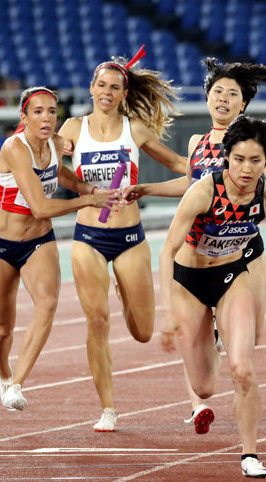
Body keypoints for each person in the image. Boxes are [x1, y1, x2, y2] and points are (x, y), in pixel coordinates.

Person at [132, 58, 266, 435]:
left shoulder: (251, 146)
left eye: (232, 94)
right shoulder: (196, 143)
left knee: (252, 338)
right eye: (217, 92)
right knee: (203, 338)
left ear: (243, 104)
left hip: (244, 250)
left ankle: (219, 342)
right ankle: (200, 397)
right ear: (206, 98)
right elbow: (190, 189)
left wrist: (241, 198)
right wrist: (146, 189)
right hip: (200, 252)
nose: (223, 99)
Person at [159, 115, 266, 478]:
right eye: (238, 159)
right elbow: (166, 251)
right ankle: (212, 336)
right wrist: (166, 311)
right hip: (189, 281)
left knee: (244, 369)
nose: (245, 168)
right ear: (227, 157)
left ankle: (250, 454)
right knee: (204, 388)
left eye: (255, 160)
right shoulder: (204, 191)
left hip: (229, 276)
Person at [57, 53, 188, 432]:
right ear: (91, 89)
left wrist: (216, 156)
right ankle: (109, 408)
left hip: (130, 238)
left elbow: (180, 165)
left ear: (123, 93)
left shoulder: (136, 129)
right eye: (101, 85)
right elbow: (51, 163)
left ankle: (123, 288)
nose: (106, 92)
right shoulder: (73, 127)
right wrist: (77, 181)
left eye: (114, 87)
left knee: (143, 332)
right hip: (88, 236)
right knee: (97, 321)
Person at [0, 87, 119, 411]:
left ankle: (16, 383)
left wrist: (88, 186)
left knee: (47, 304)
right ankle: (4, 373)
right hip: (2, 245)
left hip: (38, 242)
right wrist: (89, 200)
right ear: (24, 117)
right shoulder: (14, 149)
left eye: (51, 112)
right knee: (3, 327)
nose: (46, 118)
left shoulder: (57, 145)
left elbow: (60, 174)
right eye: (38, 112)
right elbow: (41, 207)